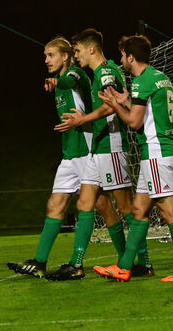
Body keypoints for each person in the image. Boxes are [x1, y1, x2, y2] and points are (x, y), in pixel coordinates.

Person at [7, 37, 127, 278]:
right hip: (69, 153)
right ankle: (39, 262)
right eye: (45, 56)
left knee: (102, 204)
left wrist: (55, 81)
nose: (46, 60)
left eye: (50, 55)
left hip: (86, 148)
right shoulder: (62, 82)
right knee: (55, 204)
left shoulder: (75, 75)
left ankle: (122, 259)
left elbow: (70, 80)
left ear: (65, 56)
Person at [93, 35, 173, 281]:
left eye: (122, 56)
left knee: (169, 212)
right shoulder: (160, 77)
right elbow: (150, 109)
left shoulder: (142, 81)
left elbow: (134, 121)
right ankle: (123, 267)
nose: (121, 61)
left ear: (131, 57)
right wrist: (126, 100)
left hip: (156, 153)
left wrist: (116, 104)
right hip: (159, 152)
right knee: (139, 211)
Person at [49, 29, 152, 281]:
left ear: (91, 49)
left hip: (112, 146)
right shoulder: (100, 72)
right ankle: (77, 264)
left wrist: (83, 119)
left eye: (78, 51)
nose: (76, 55)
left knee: (126, 207)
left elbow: (110, 105)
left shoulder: (106, 72)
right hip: (98, 147)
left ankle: (143, 262)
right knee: (86, 203)